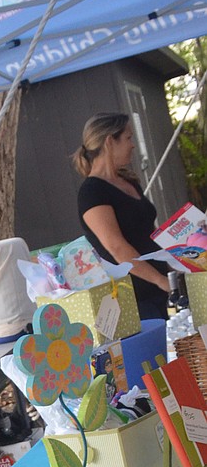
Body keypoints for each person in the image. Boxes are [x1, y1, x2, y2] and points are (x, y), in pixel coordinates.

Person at [73, 112, 169, 322]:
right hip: (135, 300)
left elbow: (147, 233)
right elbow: (116, 247)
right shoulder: (92, 192)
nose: (133, 145)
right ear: (109, 141)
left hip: (159, 290)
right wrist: (160, 279)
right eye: (128, 138)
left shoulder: (128, 181)